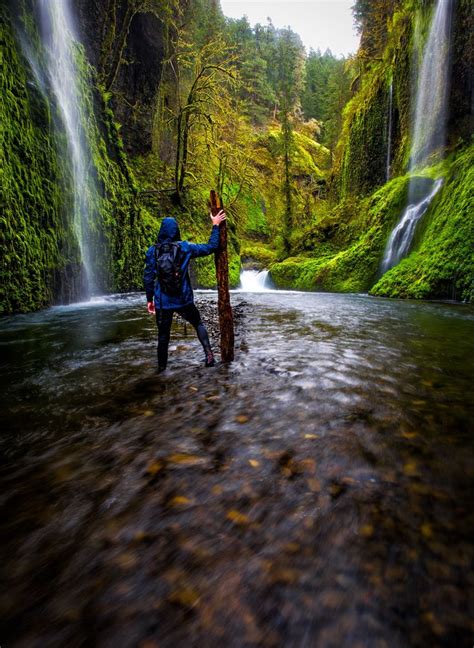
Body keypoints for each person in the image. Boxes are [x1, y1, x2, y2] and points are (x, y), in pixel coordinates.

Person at [144, 210, 226, 371]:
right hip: (184, 300)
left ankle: (161, 370)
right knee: (198, 323)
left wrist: (149, 299)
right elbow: (211, 247)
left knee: (163, 337)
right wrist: (215, 225)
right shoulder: (185, 248)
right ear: (176, 231)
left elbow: (148, 278)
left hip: (162, 302)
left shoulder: (152, 251)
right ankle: (209, 356)